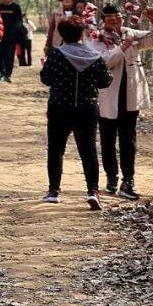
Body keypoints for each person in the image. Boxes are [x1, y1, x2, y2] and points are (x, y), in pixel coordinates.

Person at [39, 16, 112, 209]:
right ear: (82, 33)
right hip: (87, 109)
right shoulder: (95, 56)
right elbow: (106, 81)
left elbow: (45, 78)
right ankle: (93, 191)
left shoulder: (56, 55)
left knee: (56, 150)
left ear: (62, 34)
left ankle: (54, 191)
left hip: (59, 108)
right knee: (88, 151)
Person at [92, 4, 153, 198]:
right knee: (107, 140)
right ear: (103, 20)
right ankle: (111, 176)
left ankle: (128, 180)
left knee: (128, 140)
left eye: (118, 18)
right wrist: (123, 47)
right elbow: (103, 62)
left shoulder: (130, 33)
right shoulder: (96, 38)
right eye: (110, 18)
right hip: (108, 96)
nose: (115, 22)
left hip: (130, 96)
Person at [0, 0, 24, 82]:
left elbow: (19, 21)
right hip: (0, 36)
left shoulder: (16, 7)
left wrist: (15, 29)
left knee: (10, 56)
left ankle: (8, 74)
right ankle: (1, 73)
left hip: (11, 37)